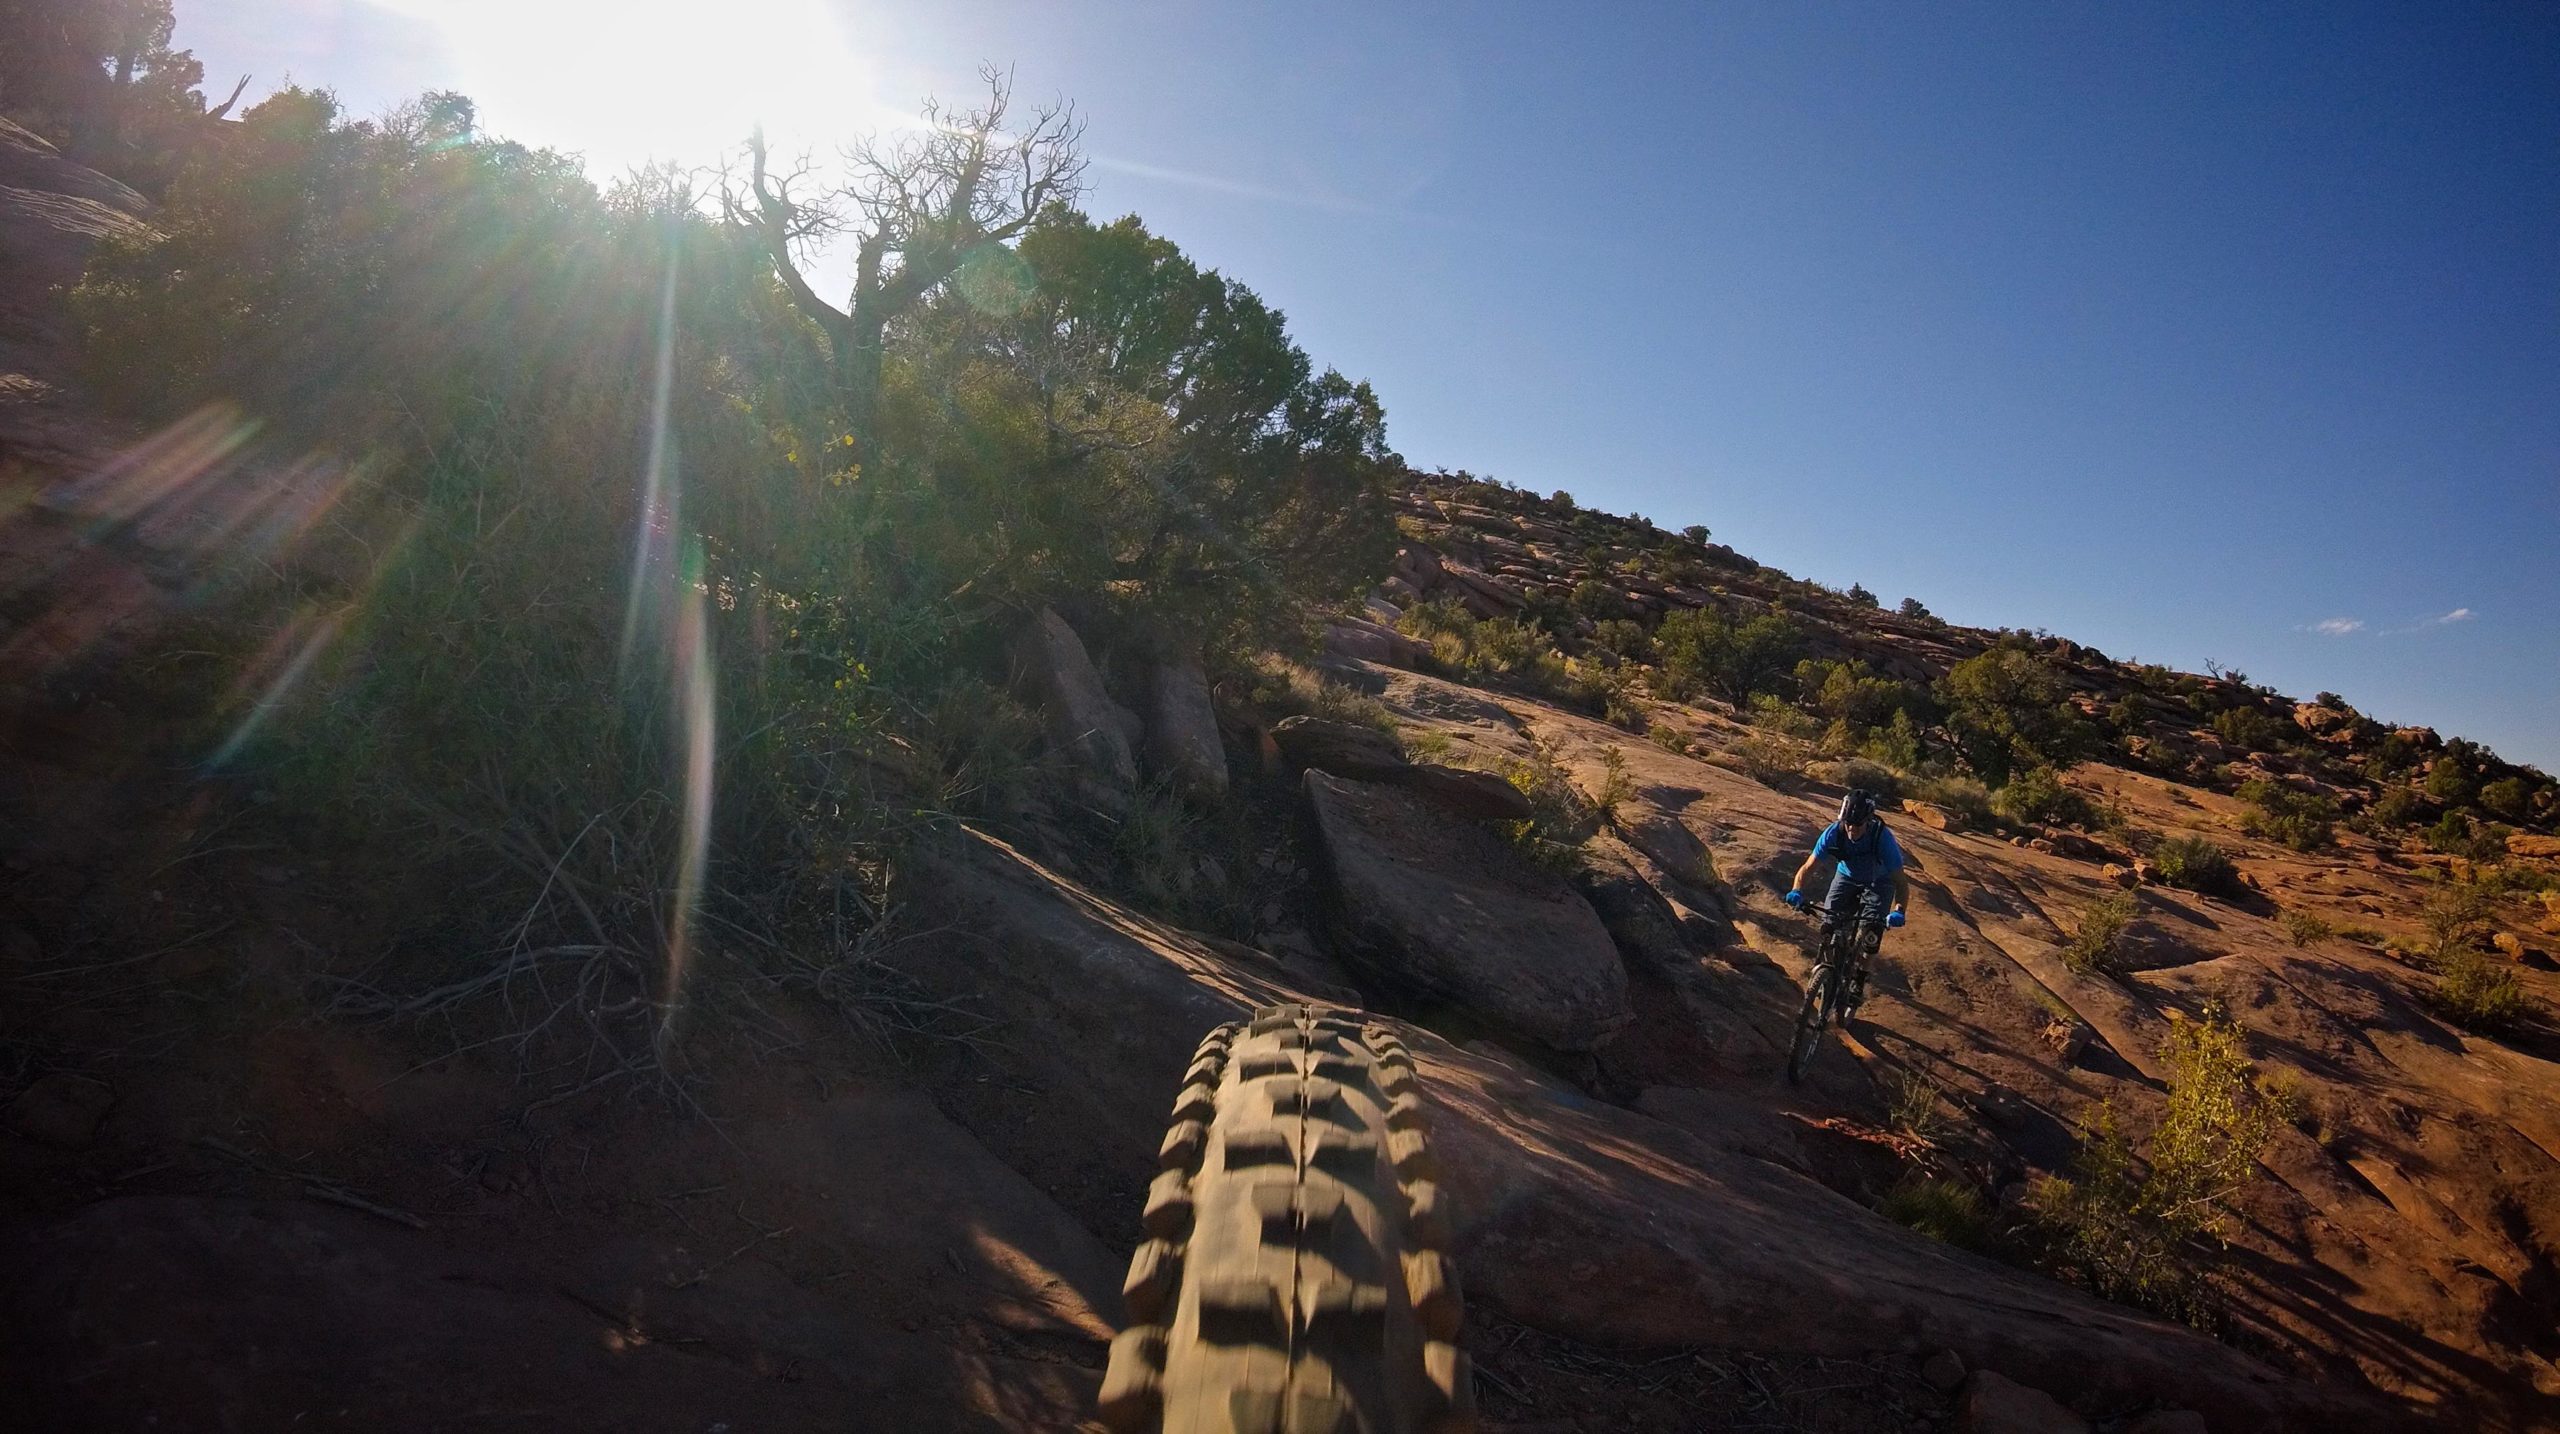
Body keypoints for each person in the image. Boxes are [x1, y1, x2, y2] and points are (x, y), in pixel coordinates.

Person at [1784, 788, 1910, 1008]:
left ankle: (1859, 980)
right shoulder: (1834, 832)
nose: (1851, 829)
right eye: (1847, 823)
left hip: (1879, 883)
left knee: (1871, 932)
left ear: (1868, 821)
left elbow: (1900, 882)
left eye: (1857, 825)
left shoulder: (1882, 839)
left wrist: (1899, 910)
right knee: (1829, 924)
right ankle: (1826, 971)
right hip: (1847, 877)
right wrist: (1797, 890)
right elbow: (1808, 867)